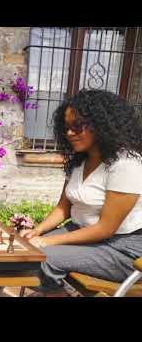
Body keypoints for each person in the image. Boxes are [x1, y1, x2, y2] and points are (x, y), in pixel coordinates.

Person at [20, 89, 142, 296]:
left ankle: (55, 293)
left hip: (121, 248)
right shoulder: (80, 160)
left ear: (101, 125)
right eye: (66, 127)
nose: (69, 133)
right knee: (22, 250)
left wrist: (47, 241)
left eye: (77, 127)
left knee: (42, 258)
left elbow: (106, 229)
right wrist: (38, 231)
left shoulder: (126, 164)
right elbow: (63, 208)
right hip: (81, 231)